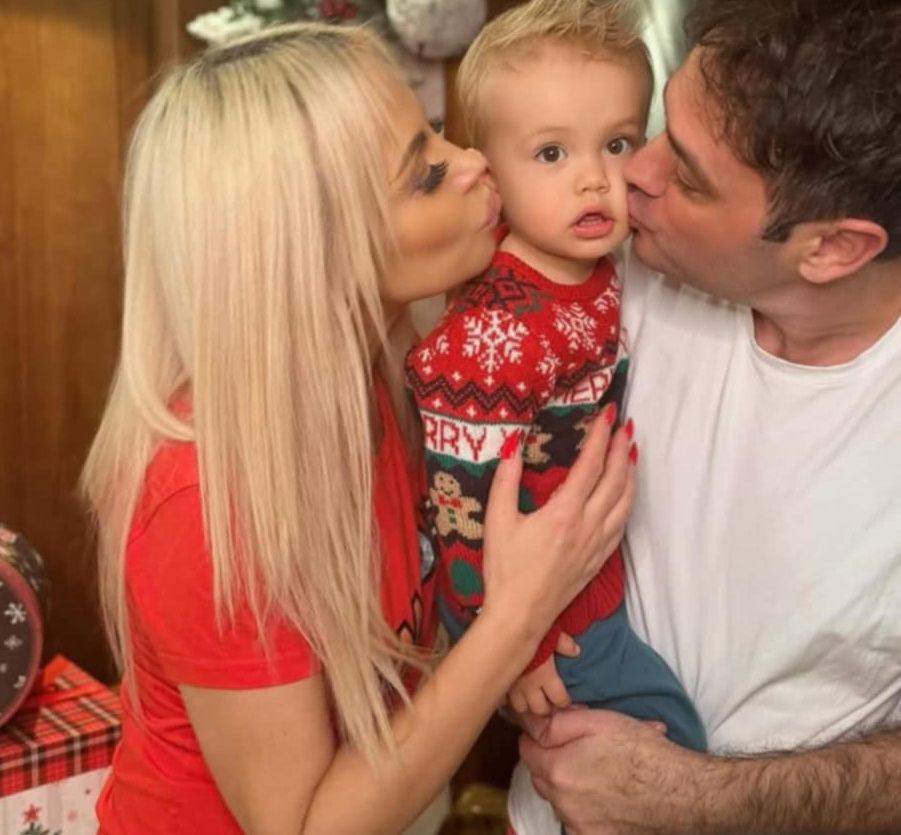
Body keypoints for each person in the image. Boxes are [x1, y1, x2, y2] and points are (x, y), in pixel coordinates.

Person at [79, 22, 637, 835]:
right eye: (423, 174)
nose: (472, 161)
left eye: (436, 132)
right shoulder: (207, 498)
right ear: (313, 248)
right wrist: (518, 617)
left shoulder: (382, 379)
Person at [511, 0, 901, 832]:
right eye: (653, 131)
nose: (632, 173)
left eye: (686, 176)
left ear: (832, 248)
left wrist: (693, 799)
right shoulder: (600, 265)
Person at [405, 0, 705, 761]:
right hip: (534, 611)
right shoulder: (496, 335)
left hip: (582, 580)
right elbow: (459, 508)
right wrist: (516, 644)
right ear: (490, 174)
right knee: (667, 733)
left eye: (617, 143)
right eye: (550, 154)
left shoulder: (595, 266)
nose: (594, 180)